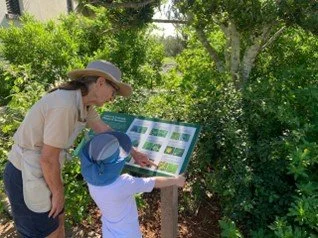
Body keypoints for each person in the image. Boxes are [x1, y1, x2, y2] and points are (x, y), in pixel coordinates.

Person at [3, 60, 155, 238]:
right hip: (25, 174)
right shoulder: (65, 105)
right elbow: (48, 158)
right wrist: (58, 193)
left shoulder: (83, 103)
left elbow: (103, 130)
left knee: (58, 227)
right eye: (113, 92)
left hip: (44, 172)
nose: (112, 98)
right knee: (47, 233)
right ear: (100, 82)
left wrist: (134, 153)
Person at [79, 131, 186, 238]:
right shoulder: (124, 183)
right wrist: (176, 180)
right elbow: (153, 182)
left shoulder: (91, 180)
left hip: (108, 232)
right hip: (129, 234)